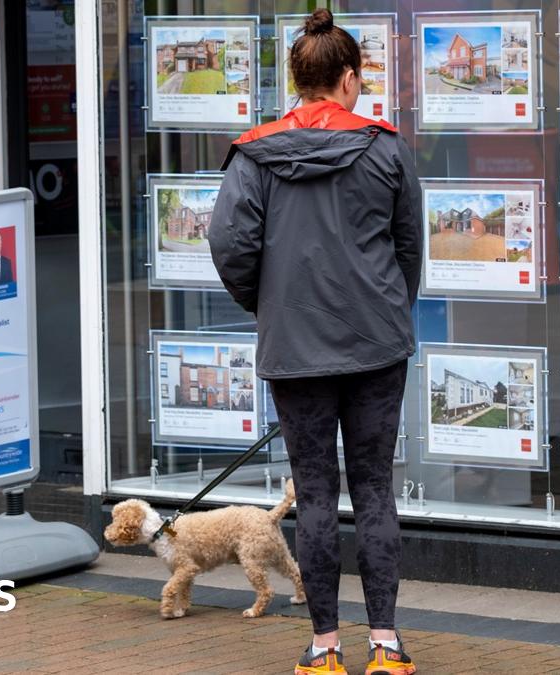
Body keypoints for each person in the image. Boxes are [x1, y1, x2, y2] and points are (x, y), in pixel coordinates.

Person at [208, 8, 421, 675]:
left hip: (296, 347)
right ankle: (385, 645)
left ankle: (324, 649)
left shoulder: (255, 154)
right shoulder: (386, 148)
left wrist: (268, 303)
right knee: (376, 488)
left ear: (298, 79)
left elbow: (227, 243)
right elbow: (409, 247)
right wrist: (387, 307)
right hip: (376, 344)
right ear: (349, 79)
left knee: (317, 494)